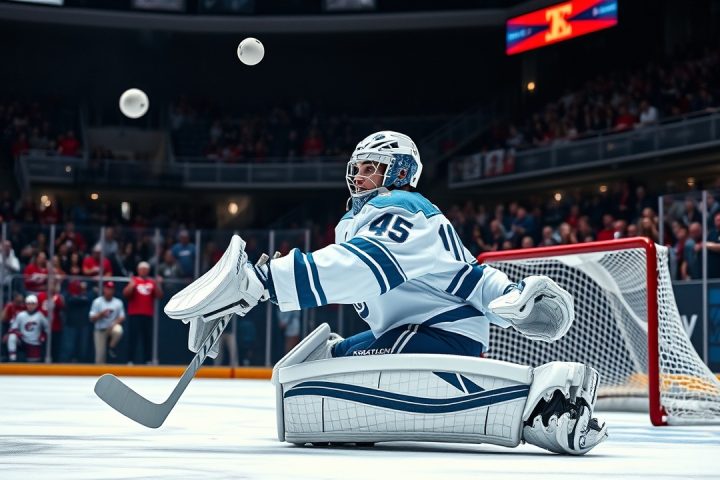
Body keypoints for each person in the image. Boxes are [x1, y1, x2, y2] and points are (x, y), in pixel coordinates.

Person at [165, 131, 606, 455]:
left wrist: (264, 282)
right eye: (356, 167)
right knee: (311, 368)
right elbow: (467, 278)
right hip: (420, 332)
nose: (358, 175)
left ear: (399, 172)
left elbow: (362, 268)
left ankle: (547, 403)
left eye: (370, 166)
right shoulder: (381, 218)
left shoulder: (404, 208)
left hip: (436, 335)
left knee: (315, 386)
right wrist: (509, 298)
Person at [123, 261, 163, 364]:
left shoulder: (152, 282)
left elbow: (159, 296)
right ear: (138, 270)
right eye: (142, 269)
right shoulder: (133, 280)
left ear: (148, 271)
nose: (144, 271)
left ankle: (148, 360)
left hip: (148, 314)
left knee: (148, 338)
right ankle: (130, 360)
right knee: (133, 337)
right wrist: (131, 286)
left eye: (146, 269)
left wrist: (158, 284)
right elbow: (126, 295)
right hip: (134, 314)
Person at [5, 295, 49, 362]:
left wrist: (43, 335)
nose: (30, 306)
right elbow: (13, 328)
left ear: (36, 305)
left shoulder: (40, 316)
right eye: (28, 303)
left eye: (33, 304)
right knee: (12, 337)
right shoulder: (21, 315)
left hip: (35, 342)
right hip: (23, 341)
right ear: (26, 304)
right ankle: (12, 359)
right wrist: (18, 333)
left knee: (33, 362)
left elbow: (47, 328)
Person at [89, 281, 125, 364]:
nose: (109, 291)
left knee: (118, 330)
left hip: (111, 328)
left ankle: (111, 347)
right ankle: (100, 371)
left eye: (111, 289)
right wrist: (101, 314)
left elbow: (122, 317)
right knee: (99, 357)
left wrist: (114, 323)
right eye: (107, 288)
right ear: (104, 289)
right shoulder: (97, 302)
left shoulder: (118, 302)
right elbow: (91, 318)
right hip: (100, 329)